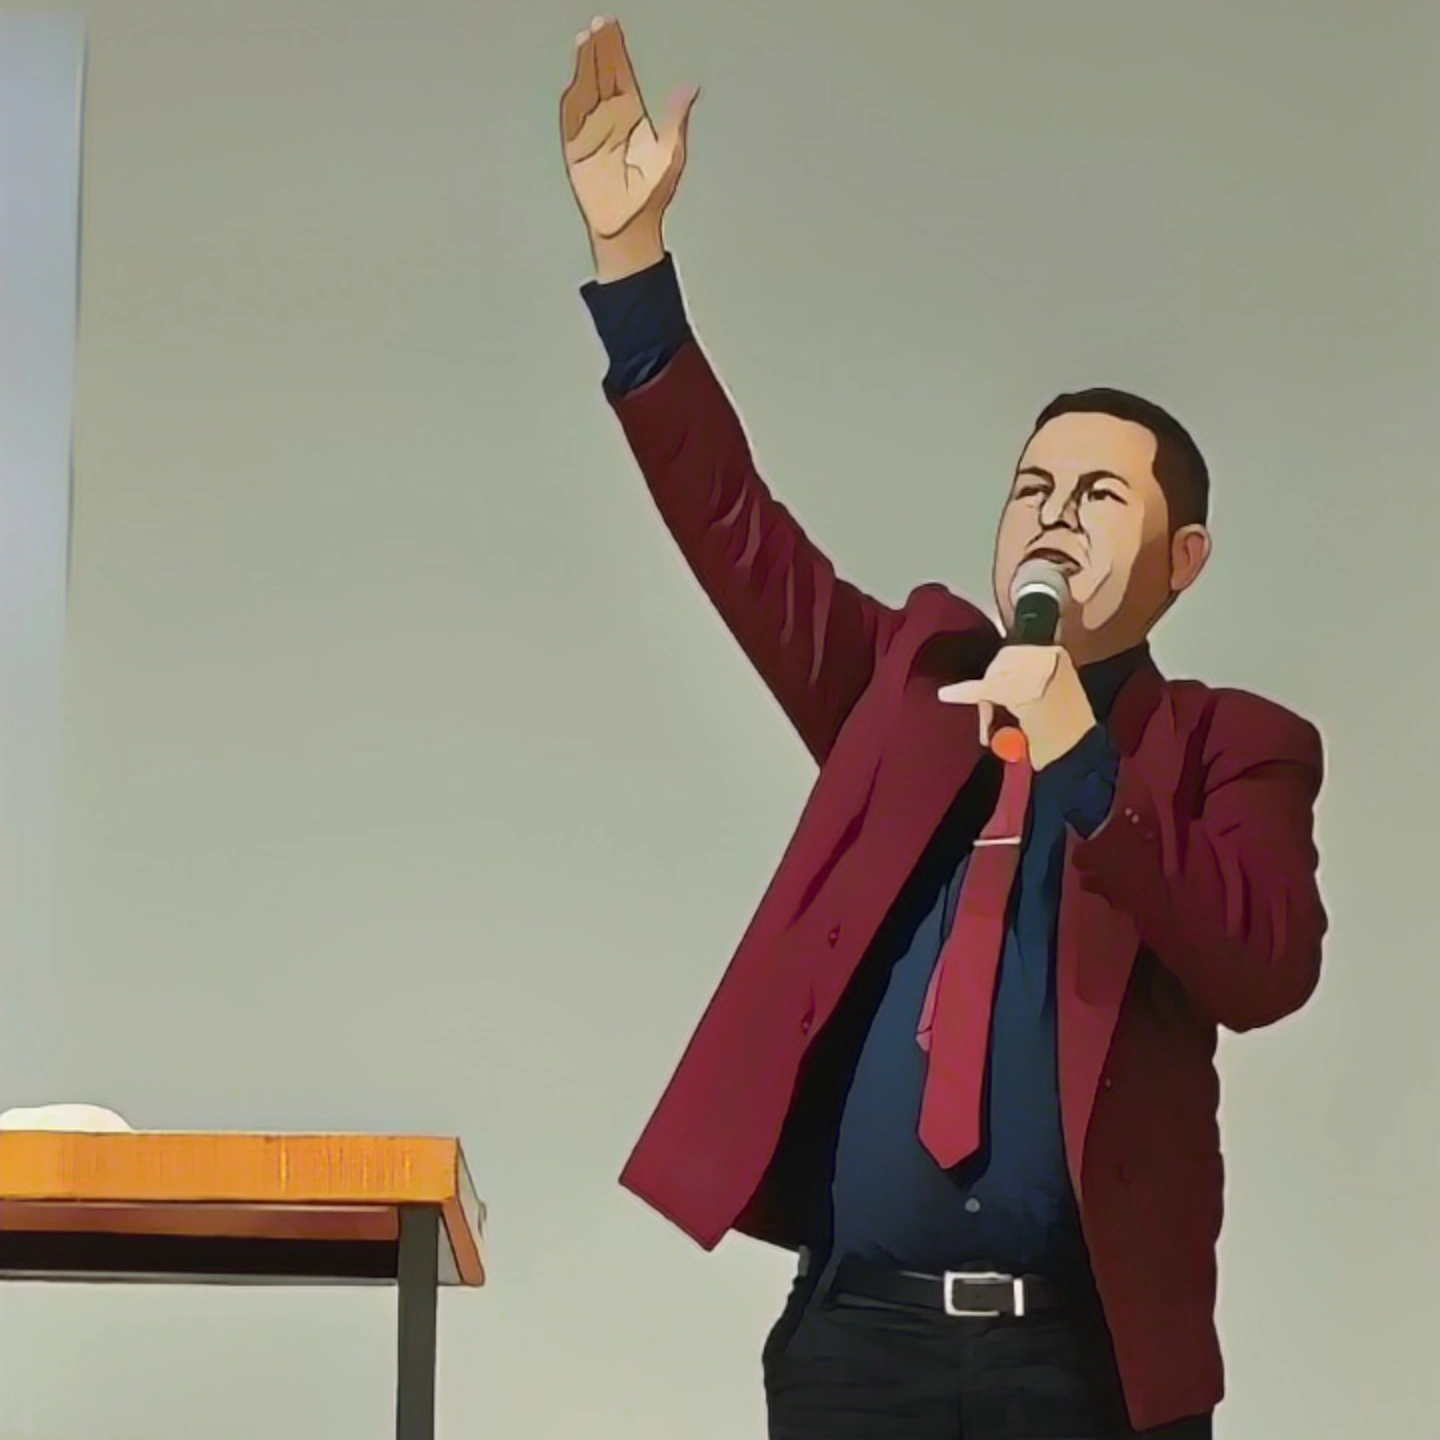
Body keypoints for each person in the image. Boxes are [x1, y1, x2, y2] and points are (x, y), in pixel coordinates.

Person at [559, 17, 1326, 1440]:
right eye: (1033, 488)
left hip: (1087, 1367)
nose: (1053, 516)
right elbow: (736, 530)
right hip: (861, 1348)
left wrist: (1084, 761)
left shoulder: (1236, 745)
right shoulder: (910, 683)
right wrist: (633, 266)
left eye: (1099, 496)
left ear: (1185, 562)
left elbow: (1265, 963)